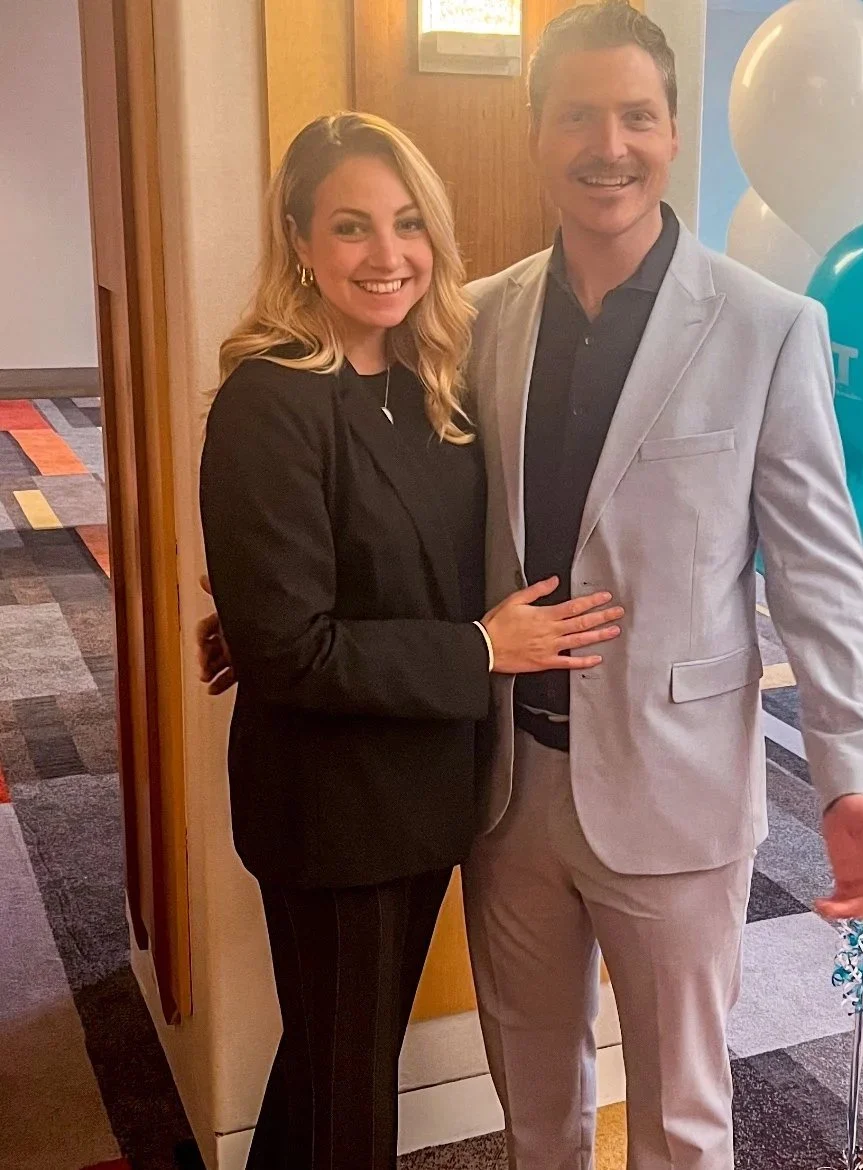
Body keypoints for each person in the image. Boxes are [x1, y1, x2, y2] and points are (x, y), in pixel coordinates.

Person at [459, 4, 863, 1168]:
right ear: (537, 132)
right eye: (578, 116)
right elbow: (423, 524)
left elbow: (820, 574)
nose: (608, 144)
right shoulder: (478, 321)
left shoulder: (766, 329)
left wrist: (852, 770)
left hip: (678, 790)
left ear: (671, 133)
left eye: (637, 116)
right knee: (534, 1114)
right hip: (505, 791)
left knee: (682, 1124)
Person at [198, 111, 622, 1170]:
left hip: (427, 792)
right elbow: (296, 648)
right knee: (351, 1107)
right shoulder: (269, 400)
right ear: (298, 240)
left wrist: (257, 616)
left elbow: (401, 568)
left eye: (406, 225)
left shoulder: (429, 384)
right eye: (351, 227)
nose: (387, 256)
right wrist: (483, 651)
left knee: (333, 1063)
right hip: (334, 810)